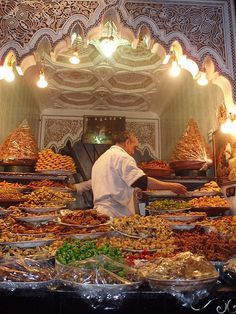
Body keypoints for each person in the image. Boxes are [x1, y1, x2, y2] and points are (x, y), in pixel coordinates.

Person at [91, 130, 187, 217]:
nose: (133, 152)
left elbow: (114, 183)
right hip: (114, 213)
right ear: (127, 142)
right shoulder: (122, 157)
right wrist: (171, 186)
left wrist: (134, 190)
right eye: (134, 147)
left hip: (101, 212)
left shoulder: (101, 159)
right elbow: (142, 181)